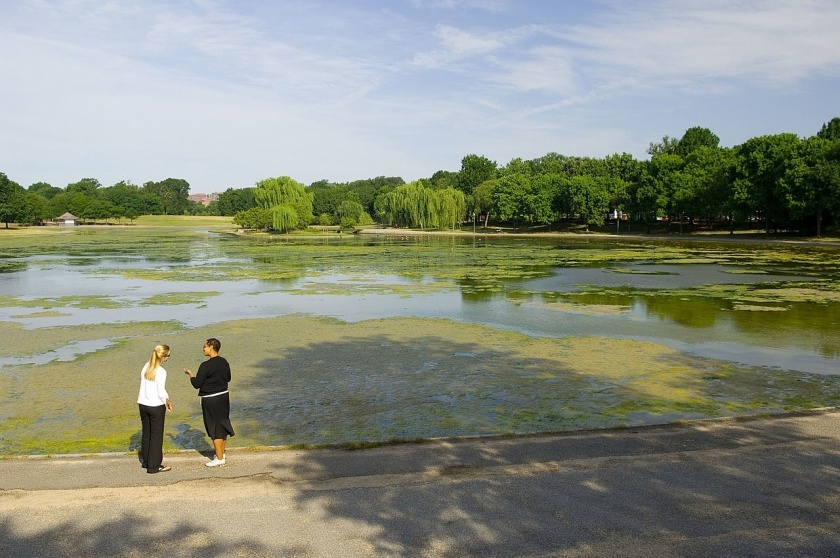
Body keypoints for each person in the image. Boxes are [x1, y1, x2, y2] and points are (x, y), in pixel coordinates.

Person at [184, 337, 234, 467]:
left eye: (205, 346)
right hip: (224, 396)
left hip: (211, 399)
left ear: (212, 347)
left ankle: (219, 458)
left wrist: (191, 375)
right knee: (222, 423)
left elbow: (197, 384)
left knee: (214, 426)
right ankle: (221, 453)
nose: (203, 348)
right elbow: (228, 378)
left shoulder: (205, 365)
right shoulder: (224, 362)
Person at [137, 344, 173, 474]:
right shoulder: (161, 371)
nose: (168, 358)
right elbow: (160, 391)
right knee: (156, 436)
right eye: (168, 356)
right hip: (155, 406)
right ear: (163, 356)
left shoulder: (146, 366)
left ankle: (146, 461)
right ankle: (154, 465)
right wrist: (167, 401)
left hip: (142, 404)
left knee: (146, 433)